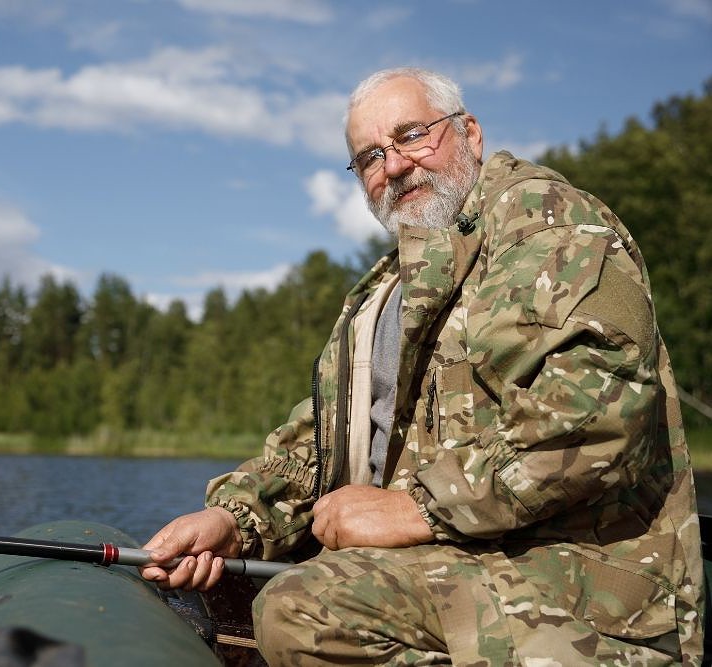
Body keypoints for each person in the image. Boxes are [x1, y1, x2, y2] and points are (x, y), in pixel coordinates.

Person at [140, 67, 704, 665]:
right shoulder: (382, 292)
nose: (395, 165)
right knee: (224, 589)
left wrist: (415, 508)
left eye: (412, 135)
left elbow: (595, 423)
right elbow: (319, 443)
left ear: (470, 134)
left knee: (301, 611)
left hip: (583, 590)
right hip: (449, 567)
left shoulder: (547, 225)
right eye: (370, 156)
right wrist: (234, 519)